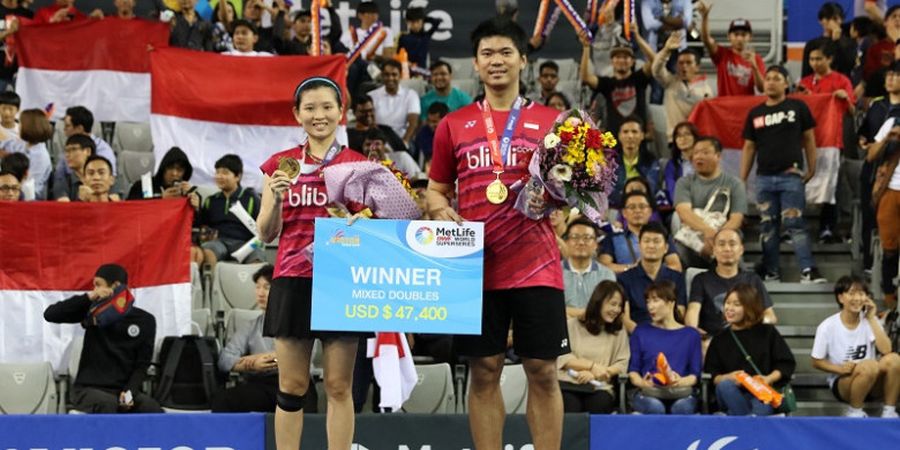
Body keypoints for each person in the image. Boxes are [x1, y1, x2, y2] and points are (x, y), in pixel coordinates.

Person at [426, 17, 568, 450]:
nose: (497, 60)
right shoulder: (453, 124)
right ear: (476, 63)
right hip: (476, 268)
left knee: (542, 370)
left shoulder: (554, 121)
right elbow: (435, 190)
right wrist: (441, 211)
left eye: (506, 52)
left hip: (537, 265)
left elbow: (574, 189)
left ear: (523, 59)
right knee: (484, 369)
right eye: (487, 53)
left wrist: (564, 203)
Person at [257, 76, 369, 450]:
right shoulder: (280, 164)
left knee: (339, 385)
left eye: (326, 107)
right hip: (292, 277)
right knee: (291, 386)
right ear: (297, 114)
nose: (319, 115)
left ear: (341, 112)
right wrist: (274, 197)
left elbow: (374, 230)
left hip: (341, 281)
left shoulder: (359, 165)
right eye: (310, 108)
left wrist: (355, 221)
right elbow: (266, 233)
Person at [740, 65, 827, 284]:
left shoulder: (797, 106)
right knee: (768, 226)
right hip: (764, 179)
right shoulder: (755, 113)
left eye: (776, 78)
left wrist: (812, 167)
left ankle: (807, 270)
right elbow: (749, 147)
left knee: (795, 224)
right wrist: (741, 178)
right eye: (767, 78)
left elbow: (809, 139)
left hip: (791, 176)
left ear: (786, 83)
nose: (770, 82)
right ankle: (771, 272)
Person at [44, 264, 161, 413]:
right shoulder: (92, 311)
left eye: (98, 285)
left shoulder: (145, 320)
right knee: (107, 404)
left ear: (115, 286)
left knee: (151, 408)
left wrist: (129, 392)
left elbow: (142, 364)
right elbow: (51, 314)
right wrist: (89, 297)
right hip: (88, 390)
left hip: (123, 390)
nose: (95, 289)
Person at [212, 264, 318, 412]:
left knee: (303, 401)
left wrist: (265, 357)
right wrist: (252, 364)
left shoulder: (299, 320)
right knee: (225, 398)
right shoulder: (251, 326)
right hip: (263, 383)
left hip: (297, 380)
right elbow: (225, 360)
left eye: (267, 287)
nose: (260, 293)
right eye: (258, 287)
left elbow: (305, 355)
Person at [811, 275, 900, 418]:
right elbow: (816, 361)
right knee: (869, 366)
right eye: (851, 293)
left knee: (895, 359)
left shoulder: (870, 320)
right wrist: (839, 368)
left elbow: (886, 350)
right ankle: (855, 410)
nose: (857, 298)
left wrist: (871, 318)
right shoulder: (827, 326)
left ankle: (889, 411)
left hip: (871, 378)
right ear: (840, 298)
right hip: (843, 381)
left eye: (861, 293)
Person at [704, 284, 795, 416]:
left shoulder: (767, 332)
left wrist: (768, 379)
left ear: (750, 307)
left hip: (761, 392)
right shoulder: (719, 339)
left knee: (762, 402)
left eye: (736, 304)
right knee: (725, 385)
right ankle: (749, 422)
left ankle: (743, 422)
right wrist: (728, 377)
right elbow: (712, 375)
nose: (729, 308)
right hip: (731, 393)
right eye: (727, 303)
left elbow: (786, 363)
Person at [798, 40, 856, 244]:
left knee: (830, 185)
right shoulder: (804, 83)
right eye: (811, 59)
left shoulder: (842, 81)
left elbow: (852, 112)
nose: (814, 63)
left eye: (818, 59)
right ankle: (796, 228)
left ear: (830, 59)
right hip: (807, 141)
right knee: (801, 183)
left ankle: (827, 227)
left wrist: (845, 99)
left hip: (831, 140)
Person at [687, 228, 777, 341]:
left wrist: (757, 327)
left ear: (741, 250)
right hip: (713, 342)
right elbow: (693, 310)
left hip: (746, 340)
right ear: (714, 250)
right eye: (721, 244)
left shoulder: (752, 280)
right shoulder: (701, 280)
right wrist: (693, 330)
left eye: (732, 244)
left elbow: (770, 316)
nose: (727, 249)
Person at [627, 280, 701, 415]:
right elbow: (633, 372)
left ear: (671, 302)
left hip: (681, 392)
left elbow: (695, 375)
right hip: (649, 392)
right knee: (655, 407)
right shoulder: (640, 331)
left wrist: (680, 381)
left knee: (682, 407)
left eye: (655, 300)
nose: (650, 306)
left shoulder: (691, 335)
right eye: (648, 301)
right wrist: (644, 383)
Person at [673, 136, 747, 267]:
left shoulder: (735, 184)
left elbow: (736, 218)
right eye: (696, 153)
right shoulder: (684, 182)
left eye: (705, 152)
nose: (698, 156)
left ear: (718, 156)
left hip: (723, 232)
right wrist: (707, 231)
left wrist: (718, 239)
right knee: (677, 234)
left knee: (732, 242)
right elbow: (684, 212)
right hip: (694, 233)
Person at [557, 281, 629, 414]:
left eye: (620, 306)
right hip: (568, 383)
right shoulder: (572, 325)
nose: (616, 310)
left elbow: (622, 363)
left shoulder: (618, 331)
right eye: (613, 304)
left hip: (599, 386)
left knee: (599, 405)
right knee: (571, 407)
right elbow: (563, 358)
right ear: (599, 301)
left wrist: (596, 373)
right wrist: (591, 366)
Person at [858, 62, 900, 277]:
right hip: (877, 173)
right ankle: (869, 265)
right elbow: (865, 134)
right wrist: (867, 141)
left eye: (896, 75)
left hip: (894, 174)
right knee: (871, 219)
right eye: (889, 75)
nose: (891, 78)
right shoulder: (877, 106)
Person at [579, 31, 656, 135]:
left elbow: (654, 61)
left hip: (637, 140)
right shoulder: (607, 84)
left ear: (633, 61)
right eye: (618, 57)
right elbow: (585, 77)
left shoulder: (639, 79)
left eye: (625, 57)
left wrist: (637, 37)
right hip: (613, 142)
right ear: (612, 61)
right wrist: (586, 48)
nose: (621, 60)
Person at [617, 222, 686, 333]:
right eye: (646, 241)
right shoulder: (624, 279)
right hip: (638, 335)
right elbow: (625, 319)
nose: (651, 245)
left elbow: (680, 312)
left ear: (666, 248)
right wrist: (645, 336)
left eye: (656, 241)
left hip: (669, 334)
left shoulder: (676, 278)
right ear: (639, 246)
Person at [199, 154, 263, 267]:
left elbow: (262, 226)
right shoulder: (211, 200)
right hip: (219, 243)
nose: (219, 176)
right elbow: (203, 226)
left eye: (224, 172)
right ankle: (211, 284)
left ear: (237, 176)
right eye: (217, 172)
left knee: (257, 257)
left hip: (245, 244)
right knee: (207, 252)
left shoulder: (251, 198)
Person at [600, 192, 681, 274]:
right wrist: (632, 268)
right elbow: (604, 266)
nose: (637, 211)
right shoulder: (612, 237)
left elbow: (676, 266)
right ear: (624, 213)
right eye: (632, 207)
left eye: (642, 207)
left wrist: (652, 270)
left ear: (650, 211)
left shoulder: (662, 235)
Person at [651, 34, 713, 138]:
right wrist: (666, 50)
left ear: (697, 67)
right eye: (681, 63)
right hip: (674, 138)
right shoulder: (669, 82)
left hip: (697, 138)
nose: (684, 66)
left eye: (688, 63)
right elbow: (656, 70)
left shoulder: (706, 90)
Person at [697, 2, 764, 96]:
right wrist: (705, 17)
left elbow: (762, 89)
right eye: (736, 34)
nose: (740, 38)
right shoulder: (722, 54)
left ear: (750, 37)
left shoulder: (756, 59)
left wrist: (754, 67)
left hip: (746, 108)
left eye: (744, 35)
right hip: (724, 108)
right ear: (729, 36)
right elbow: (706, 39)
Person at [869, 121, 900, 310]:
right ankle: (889, 296)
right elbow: (871, 156)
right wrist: (888, 138)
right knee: (889, 248)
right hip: (889, 190)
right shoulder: (892, 121)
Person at [562, 217, 616, 319]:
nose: (581, 242)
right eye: (575, 237)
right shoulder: (554, 272)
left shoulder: (607, 275)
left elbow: (609, 310)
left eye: (587, 238)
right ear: (567, 242)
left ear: (596, 244)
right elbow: (550, 308)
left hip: (596, 330)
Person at [610, 116, 661, 208]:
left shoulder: (651, 161)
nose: (630, 136)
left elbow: (651, 189)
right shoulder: (610, 161)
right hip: (616, 207)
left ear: (642, 135)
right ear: (619, 136)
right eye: (625, 132)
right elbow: (609, 191)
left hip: (644, 207)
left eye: (634, 132)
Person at [0, 109, 52, 200]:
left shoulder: (41, 156)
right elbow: (6, 144)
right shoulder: (23, 143)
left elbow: (31, 187)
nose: (18, 126)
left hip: (29, 199)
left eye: (20, 123)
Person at [369, 59, 420, 146]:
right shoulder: (372, 96)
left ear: (400, 75)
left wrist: (405, 142)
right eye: (386, 75)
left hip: (401, 139)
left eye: (394, 75)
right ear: (382, 75)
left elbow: (413, 122)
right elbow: (369, 122)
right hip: (378, 140)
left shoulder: (411, 95)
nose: (390, 78)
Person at [802, 3, 857, 79]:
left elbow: (849, 65)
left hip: (842, 85)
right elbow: (806, 72)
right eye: (832, 19)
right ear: (821, 21)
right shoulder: (812, 44)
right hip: (818, 85)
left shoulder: (849, 42)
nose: (836, 22)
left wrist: (837, 41)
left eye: (839, 19)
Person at [58, 106, 116, 177]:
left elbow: (107, 180)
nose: (64, 130)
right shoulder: (69, 147)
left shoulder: (103, 151)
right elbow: (59, 177)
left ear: (79, 129)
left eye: (67, 126)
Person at [126, 146, 195, 200]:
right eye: (170, 168)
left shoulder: (187, 191)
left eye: (179, 170)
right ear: (163, 169)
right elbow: (131, 208)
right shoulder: (143, 186)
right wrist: (160, 199)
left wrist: (195, 204)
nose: (174, 173)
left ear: (184, 173)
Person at [397, 6, 443, 71]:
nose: (415, 25)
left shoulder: (426, 35)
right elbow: (398, 55)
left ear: (422, 21)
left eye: (418, 21)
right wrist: (406, 63)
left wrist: (424, 18)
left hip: (423, 72)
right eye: (412, 22)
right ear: (407, 22)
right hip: (407, 71)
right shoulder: (403, 37)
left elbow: (437, 22)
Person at [663, 122, 698, 204]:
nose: (683, 138)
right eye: (678, 136)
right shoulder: (671, 165)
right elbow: (672, 190)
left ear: (695, 138)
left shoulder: (704, 160)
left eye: (687, 134)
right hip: (683, 206)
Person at [52, 134, 94, 201]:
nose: (68, 155)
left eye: (74, 149)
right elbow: (64, 208)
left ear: (88, 151)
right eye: (66, 151)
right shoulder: (63, 181)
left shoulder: (100, 179)